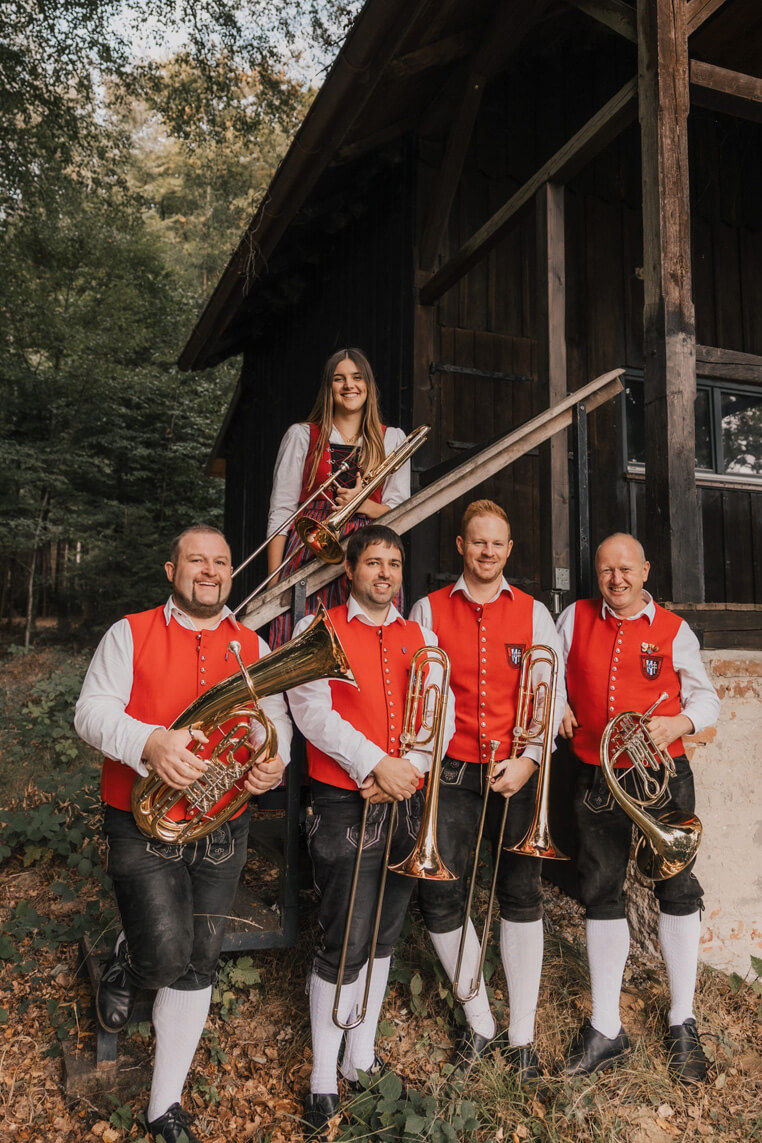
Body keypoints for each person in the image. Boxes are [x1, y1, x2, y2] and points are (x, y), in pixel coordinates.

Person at [74, 525, 292, 1143]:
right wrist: (151, 741)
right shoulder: (130, 632)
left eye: (220, 561)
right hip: (141, 821)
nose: (210, 569)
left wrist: (270, 764)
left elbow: (269, 726)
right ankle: (128, 961)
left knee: (199, 960)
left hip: (222, 826)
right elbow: (90, 711)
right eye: (196, 559)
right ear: (171, 570)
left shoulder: (252, 644)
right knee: (165, 955)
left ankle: (163, 1105)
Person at [287, 524, 455, 1135]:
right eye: (373, 563)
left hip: (406, 796)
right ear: (351, 570)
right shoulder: (318, 630)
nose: (384, 573)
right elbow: (309, 710)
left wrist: (405, 770)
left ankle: (361, 1056)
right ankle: (323, 1079)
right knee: (344, 938)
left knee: (385, 933)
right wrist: (373, 763)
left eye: (393, 563)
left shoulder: (423, 637)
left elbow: (443, 713)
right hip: (342, 801)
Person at [409, 499, 565, 1083]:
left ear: (509, 549)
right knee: (442, 899)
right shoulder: (426, 610)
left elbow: (552, 695)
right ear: (460, 547)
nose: (488, 552)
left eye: (498, 543)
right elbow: (420, 697)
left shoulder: (534, 614)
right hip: (449, 773)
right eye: (478, 542)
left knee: (521, 897)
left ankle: (521, 1038)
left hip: (516, 776)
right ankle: (479, 1022)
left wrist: (528, 761)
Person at [556, 532, 720, 1083]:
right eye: (606, 570)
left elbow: (706, 698)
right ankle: (606, 1026)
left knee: (676, 888)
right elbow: (548, 674)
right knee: (600, 888)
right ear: (597, 573)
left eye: (626, 569)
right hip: (596, 776)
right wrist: (556, 707)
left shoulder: (675, 630)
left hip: (661, 778)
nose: (616, 579)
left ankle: (682, 1020)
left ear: (645, 570)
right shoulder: (574, 618)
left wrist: (678, 722)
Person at [266, 348, 411, 646]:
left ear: (368, 386)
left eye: (357, 378)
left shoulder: (393, 439)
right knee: (300, 641)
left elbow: (402, 513)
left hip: (370, 552)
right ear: (328, 388)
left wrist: (365, 505)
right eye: (339, 379)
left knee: (370, 643)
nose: (349, 386)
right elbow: (281, 512)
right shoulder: (303, 435)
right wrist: (273, 581)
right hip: (310, 549)